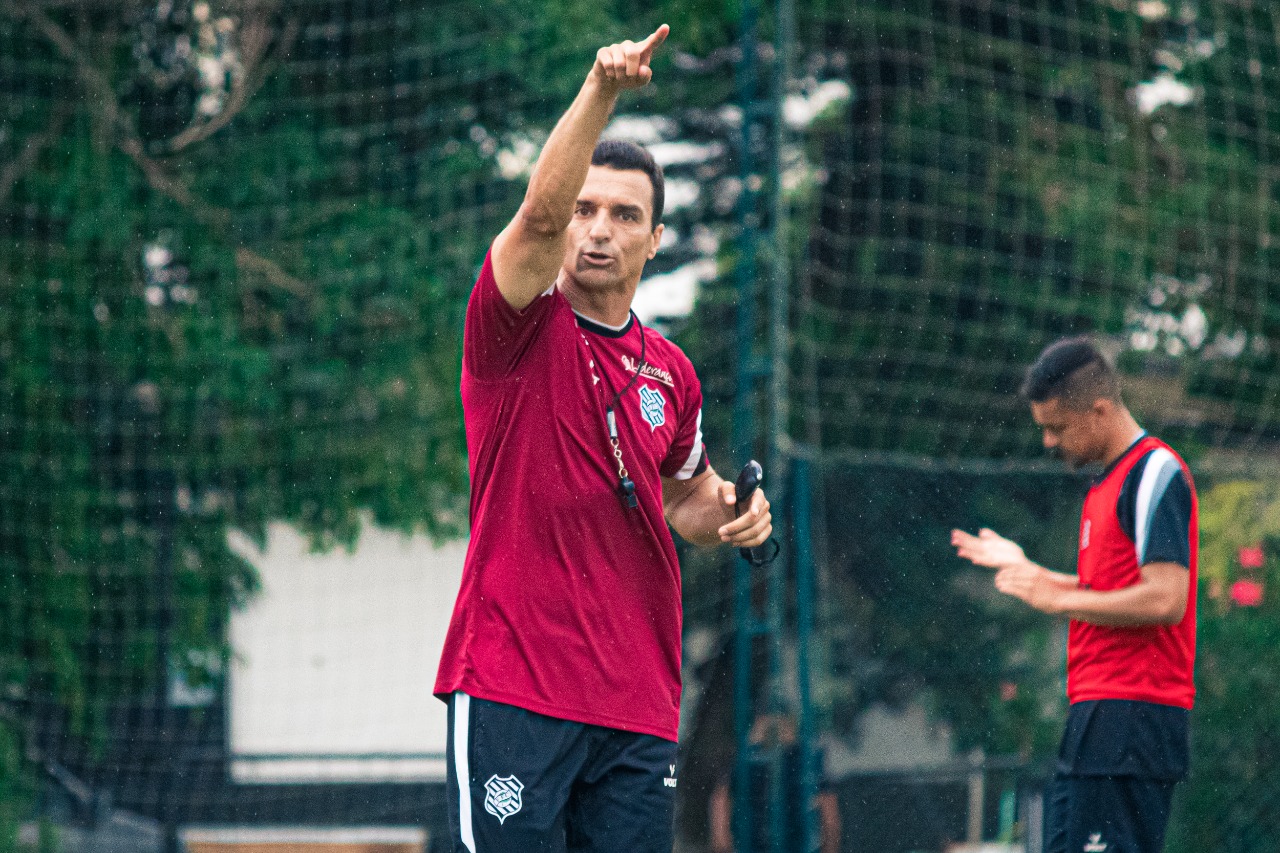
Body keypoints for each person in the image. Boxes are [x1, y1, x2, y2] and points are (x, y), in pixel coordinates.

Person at [434, 25, 773, 853]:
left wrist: (732, 509)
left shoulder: (672, 373)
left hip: (633, 700)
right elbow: (537, 214)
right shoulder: (511, 323)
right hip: (514, 682)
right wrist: (601, 89)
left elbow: (684, 494)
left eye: (624, 215)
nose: (596, 229)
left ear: (655, 241)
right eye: (586, 208)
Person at [951, 336, 1197, 853]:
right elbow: (1109, 593)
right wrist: (1032, 572)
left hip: (1133, 718)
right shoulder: (1102, 485)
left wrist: (1057, 599)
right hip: (1096, 717)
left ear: (1100, 410)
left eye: (1056, 427)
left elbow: (1165, 598)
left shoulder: (1155, 472)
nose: (1047, 441)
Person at [708, 711, 842, 853]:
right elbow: (829, 810)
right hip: (783, 842)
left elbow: (720, 803)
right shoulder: (805, 760)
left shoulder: (747, 761)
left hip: (766, 842)